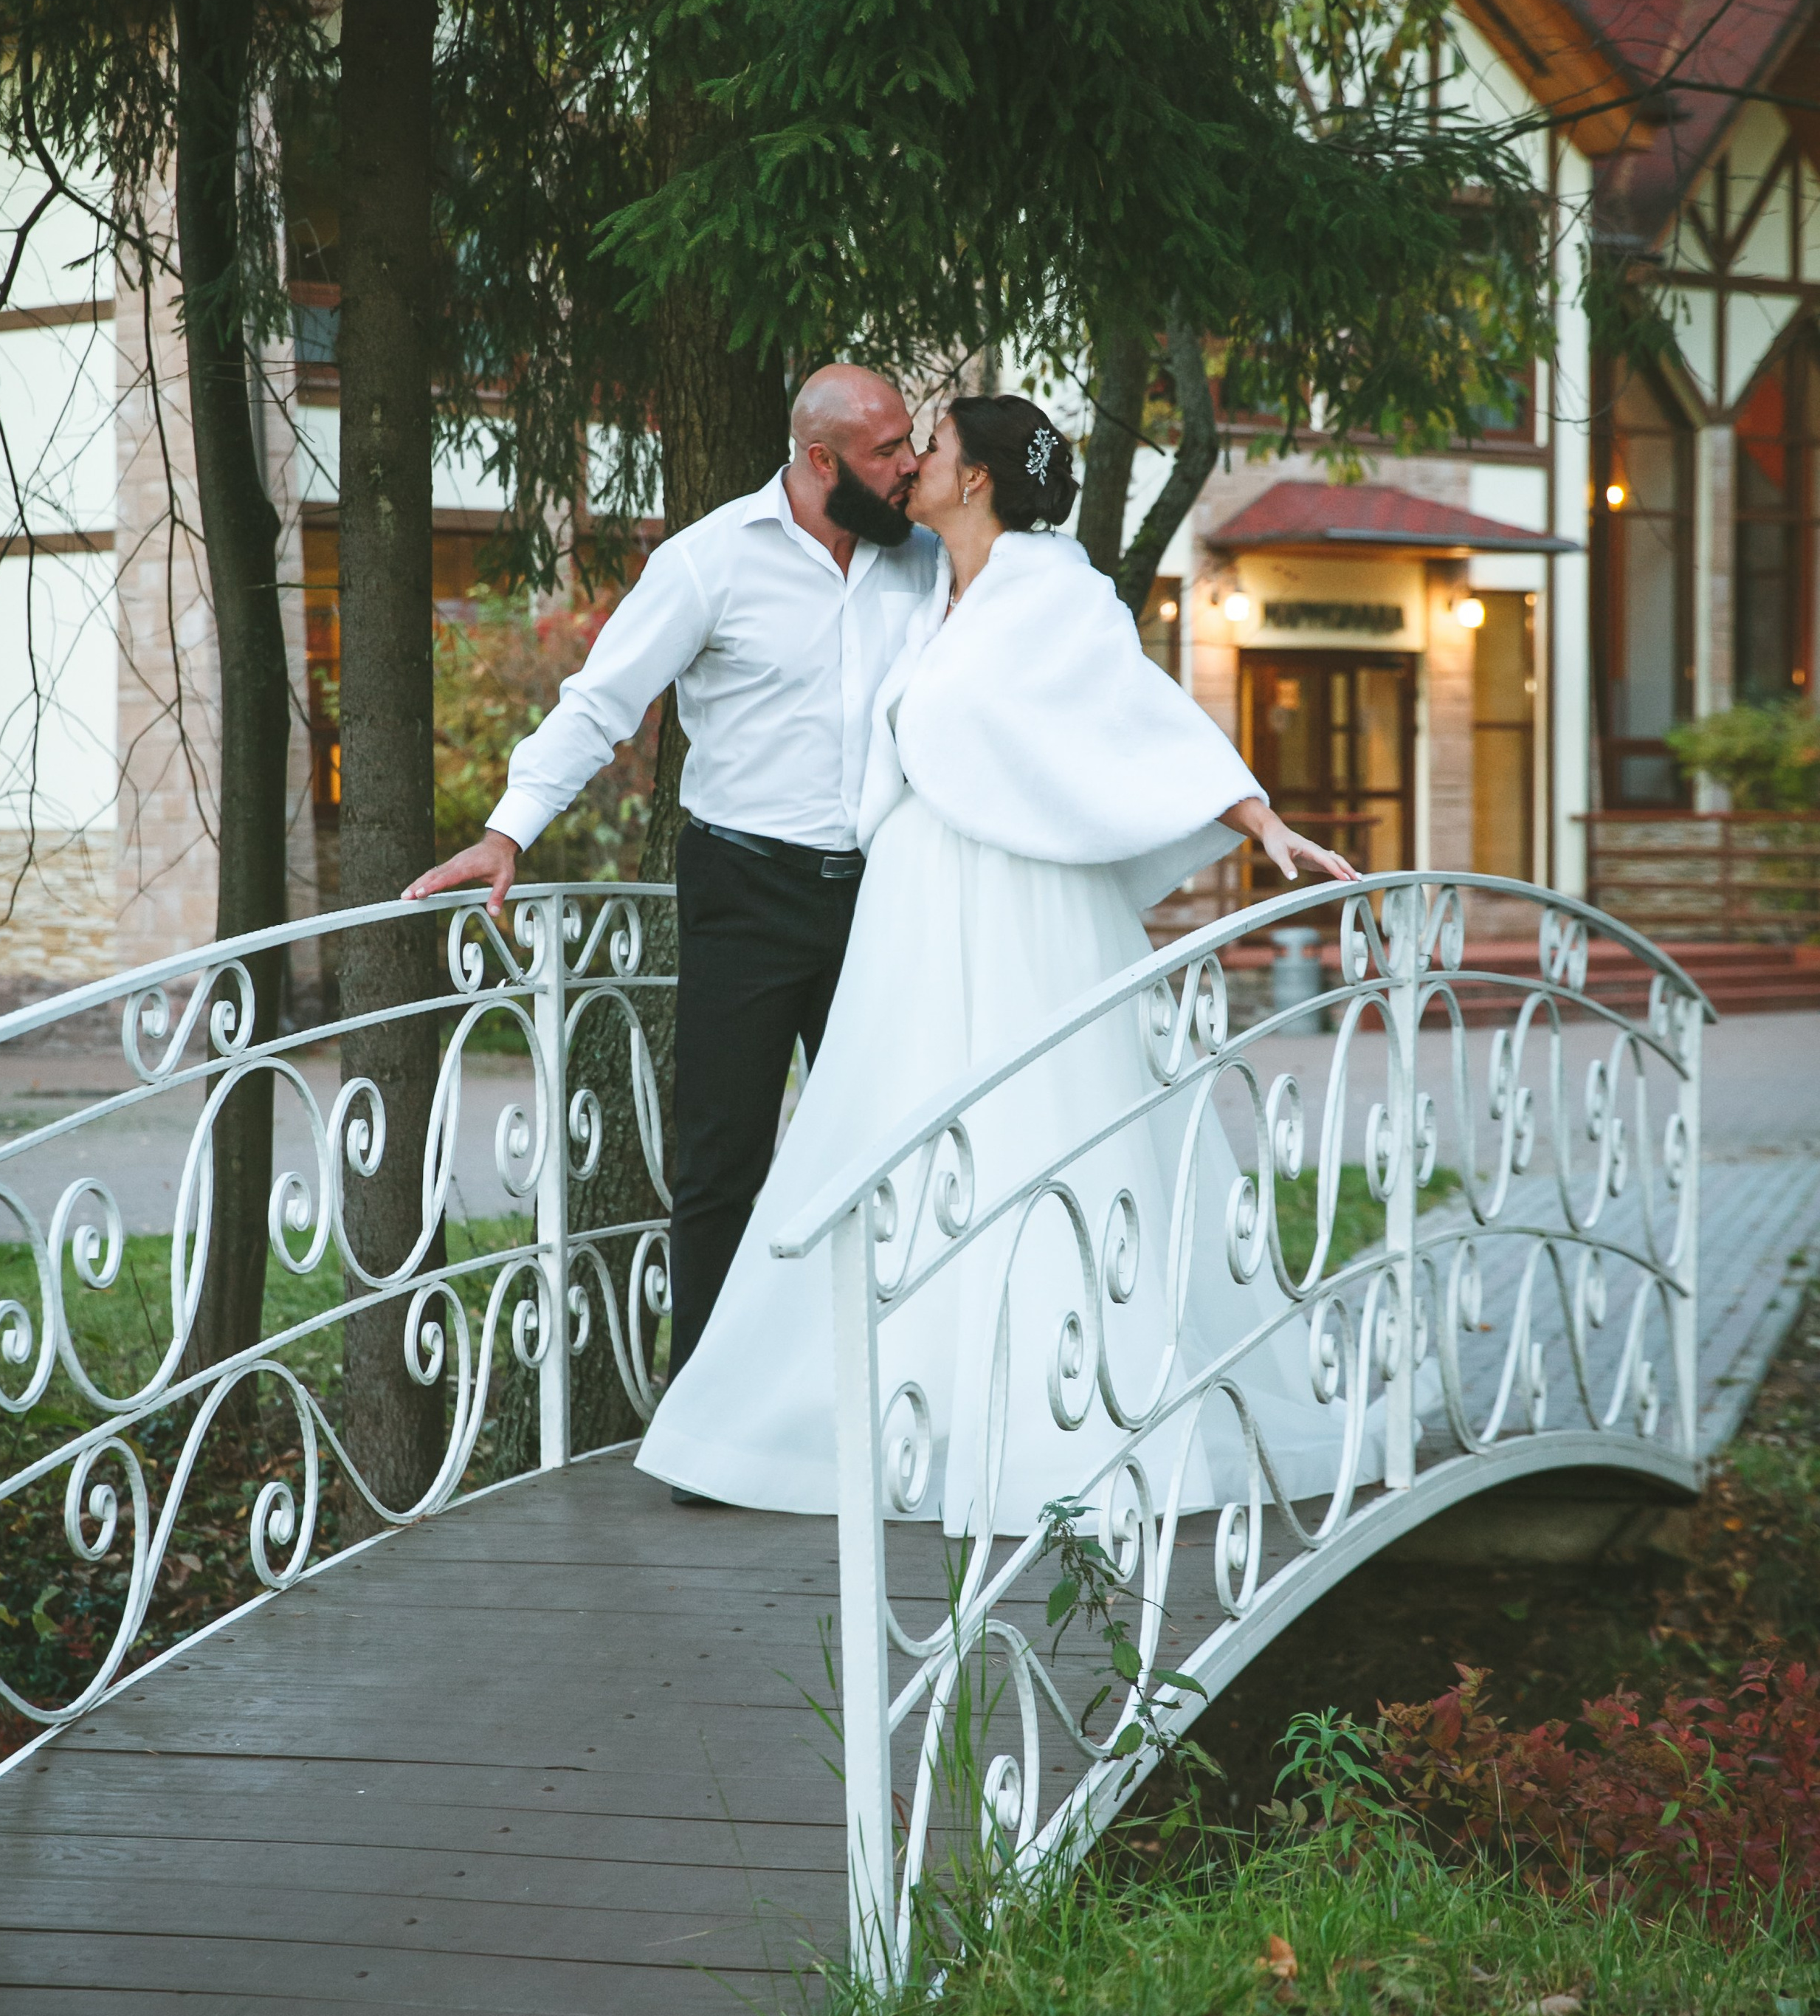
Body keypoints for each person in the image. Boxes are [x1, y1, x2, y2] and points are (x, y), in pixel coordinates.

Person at [634, 391, 1362, 1538]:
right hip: (915, 908)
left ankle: (1060, 1403)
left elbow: (1137, 712)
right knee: (891, 1136)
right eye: (906, 445)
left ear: (975, 478)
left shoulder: (1053, 589)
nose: (914, 462)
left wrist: (1257, 819)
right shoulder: (927, 578)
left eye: (934, 449)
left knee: (1035, 1125)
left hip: (1017, 900)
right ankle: (844, 1405)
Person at [407, 366, 939, 1483]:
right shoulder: (708, 561)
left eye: (912, 442)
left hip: (886, 893)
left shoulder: (922, 558)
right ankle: (708, 1438)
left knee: (893, 1155)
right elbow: (601, 702)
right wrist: (509, 831)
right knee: (719, 1164)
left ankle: (895, 1411)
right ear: (821, 461)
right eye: (889, 449)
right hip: (745, 890)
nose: (912, 464)